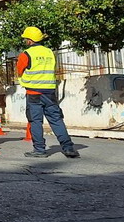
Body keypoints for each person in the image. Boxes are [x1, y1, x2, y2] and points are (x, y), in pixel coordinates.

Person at [17, 26, 80, 158]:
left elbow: (19, 71)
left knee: (35, 121)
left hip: (34, 93)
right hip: (50, 92)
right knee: (56, 120)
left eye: (26, 39)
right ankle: (68, 148)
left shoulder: (26, 54)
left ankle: (39, 149)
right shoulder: (50, 52)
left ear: (29, 40)